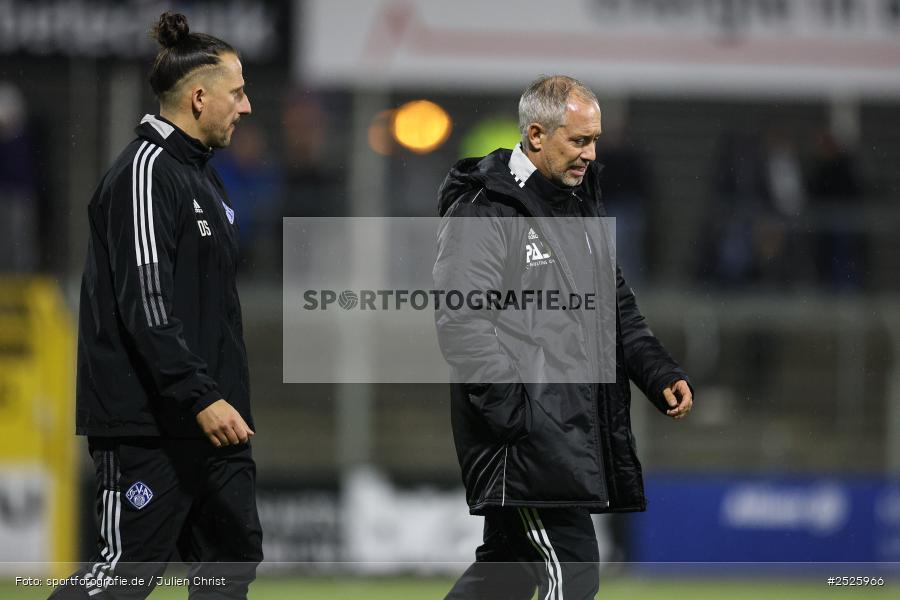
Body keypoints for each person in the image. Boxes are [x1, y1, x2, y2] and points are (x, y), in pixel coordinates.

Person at [434, 75, 693, 600]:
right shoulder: (486, 208)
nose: (591, 155)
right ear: (535, 134)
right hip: (526, 441)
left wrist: (657, 370)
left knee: (505, 574)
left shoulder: (578, 203)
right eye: (579, 141)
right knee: (572, 576)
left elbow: (615, 307)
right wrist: (516, 416)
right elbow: (462, 323)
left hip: (562, 434)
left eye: (594, 140)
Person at [48, 11, 261, 599]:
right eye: (237, 93)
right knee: (123, 576)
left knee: (228, 575)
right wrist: (200, 396)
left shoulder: (205, 180)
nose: (246, 106)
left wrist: (220, 400)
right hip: (153, 425)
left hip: (218, 425)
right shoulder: (143, 174)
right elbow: (147, 306)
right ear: (199, 98)